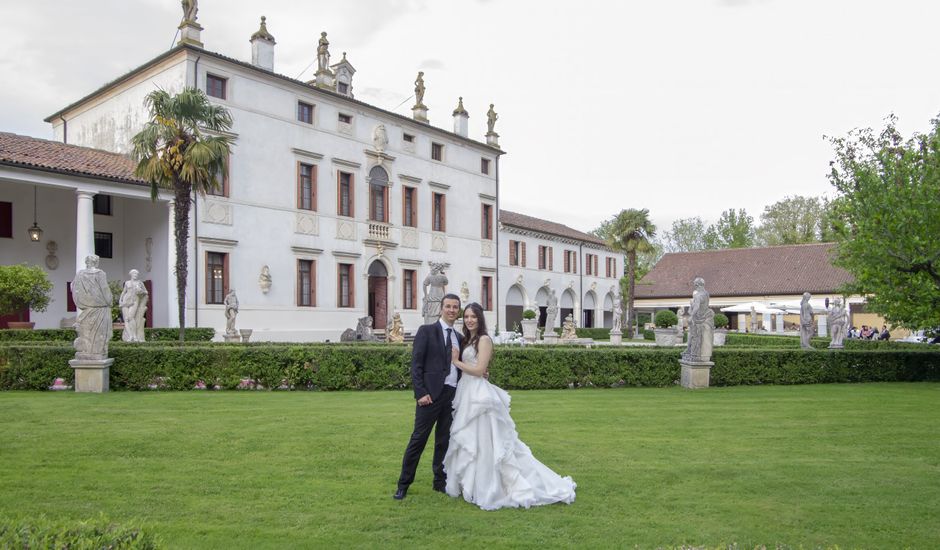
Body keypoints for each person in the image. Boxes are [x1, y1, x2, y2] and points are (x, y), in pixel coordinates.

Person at [443, 302, 576, 510]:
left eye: (473, 316)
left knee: (487, 441)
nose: (469, 320)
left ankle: (491, 485)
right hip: (467, 392)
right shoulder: (469, 340)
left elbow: (479, 370)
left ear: (480, 318)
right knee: (472, 440)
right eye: (466, 316)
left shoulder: (485, 339)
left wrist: (455, 362)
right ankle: (474, 482)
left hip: (479, 395)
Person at [394, 294, 462, 500]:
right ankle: (403, 485)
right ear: (441, 309)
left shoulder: (460, 337)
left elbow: (463, 365)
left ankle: (439, 482)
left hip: (452, 395)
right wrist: (421, 393)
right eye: (448, 306)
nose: (451, 310)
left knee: (444, 441)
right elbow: (416, 365)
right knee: (418, 440)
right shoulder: (426, 331)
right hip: (429, 396)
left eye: (455, 307)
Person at [72, 255, 113, 359]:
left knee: (86, 331)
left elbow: (75, 288)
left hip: (87, 308)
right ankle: (96, 351)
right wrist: (109, 301)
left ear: (87, 262)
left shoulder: (80, 274)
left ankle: (88, 350)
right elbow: (104, 289)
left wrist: (83, 301)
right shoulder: (100, 273)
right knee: (100, 333)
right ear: (96, 262)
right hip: (101, 307)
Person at [119, 269, 148, 342]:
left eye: (136, 274)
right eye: (134, 274)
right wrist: (120, 300)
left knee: (130, 317)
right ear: (131, 274)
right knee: (126, 319)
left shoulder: (140, 283)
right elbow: (123, 292)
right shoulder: (127, 283)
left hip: (135, 300)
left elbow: (146, 292)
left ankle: (135, 336)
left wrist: (141, 291)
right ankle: (130, 336)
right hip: (126, 300)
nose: (136, 275)